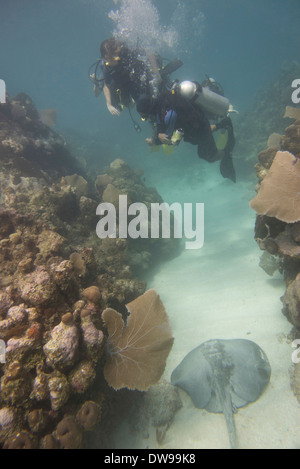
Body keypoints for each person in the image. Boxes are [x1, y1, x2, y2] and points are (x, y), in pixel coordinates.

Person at [136, 91, 236, 182]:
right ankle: (223, 124)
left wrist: (154, 141)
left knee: (207, 155)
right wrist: (158, 135)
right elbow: (162, 127)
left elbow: (172, 140)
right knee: (202, 136)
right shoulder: (161, 107)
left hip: (199, 128)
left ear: (149, 108)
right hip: (195, 126)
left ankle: (227, 152)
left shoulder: (168, 115)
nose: (144, 118)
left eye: (143, 115)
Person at [98, 37, 162, 116]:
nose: (117, 57)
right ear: (106, 57)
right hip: (129, 84)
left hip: (142, 74)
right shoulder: (107, 68)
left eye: (117, 54)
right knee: (142, 104)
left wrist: (156, 72)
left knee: (151, 96)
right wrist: (109, 104)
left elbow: (149, 52)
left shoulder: (126, 52)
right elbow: (106, 85)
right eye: (113, 55)